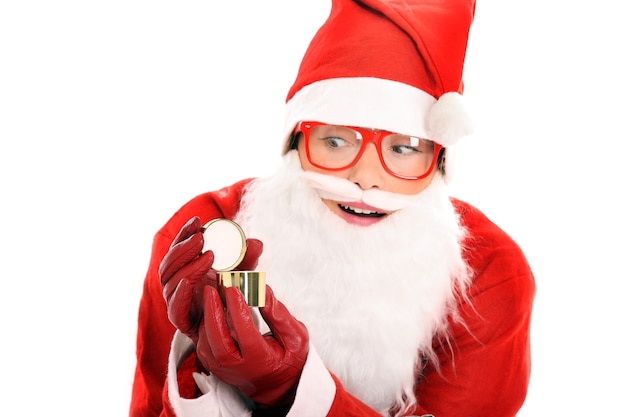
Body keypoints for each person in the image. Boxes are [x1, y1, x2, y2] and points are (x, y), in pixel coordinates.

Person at [129, 0, 536, 416]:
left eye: (403, 148)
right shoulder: (207, 232)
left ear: (439, 163)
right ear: (295, 143)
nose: (365, 177)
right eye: (337, 141)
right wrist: (196, 364)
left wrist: (292, 388)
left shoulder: (490, 272)